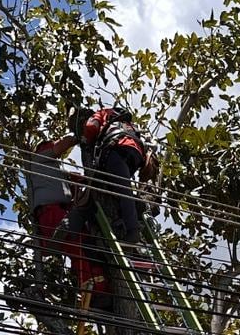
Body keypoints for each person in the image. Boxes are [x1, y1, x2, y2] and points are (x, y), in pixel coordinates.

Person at [22, 131, 108, 305]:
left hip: (54, 214)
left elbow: (75, 179)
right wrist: (79, 133)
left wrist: (86, 180)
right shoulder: (40, 157)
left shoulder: (51, 171)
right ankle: (96, 290)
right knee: (80, 245)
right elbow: (62, 144)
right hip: (53, 213)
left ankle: (92, 289)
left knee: (80, 248)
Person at [61, 104, 155, 262]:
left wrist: (84, 139)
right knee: (121, 187)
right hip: (135, 152)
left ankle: (132, 231)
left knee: (121, 191)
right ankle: (131, 222)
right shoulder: (122, 120)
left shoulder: (101, 113)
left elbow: (91, 127)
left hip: (116, 149)